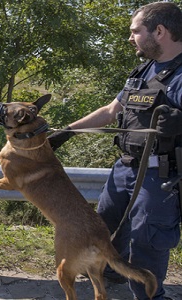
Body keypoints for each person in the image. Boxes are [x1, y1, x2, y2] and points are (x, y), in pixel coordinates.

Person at [48, 2, 182, 300]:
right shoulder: (144, 70)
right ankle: (110, 273)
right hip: (125, 167)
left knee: (146, 241)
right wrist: (67, 132)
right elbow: (111, 110)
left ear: (159, 31)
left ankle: (149, 296)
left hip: (161, 174)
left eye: (135, 31)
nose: (130, 37)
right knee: (102, 226)